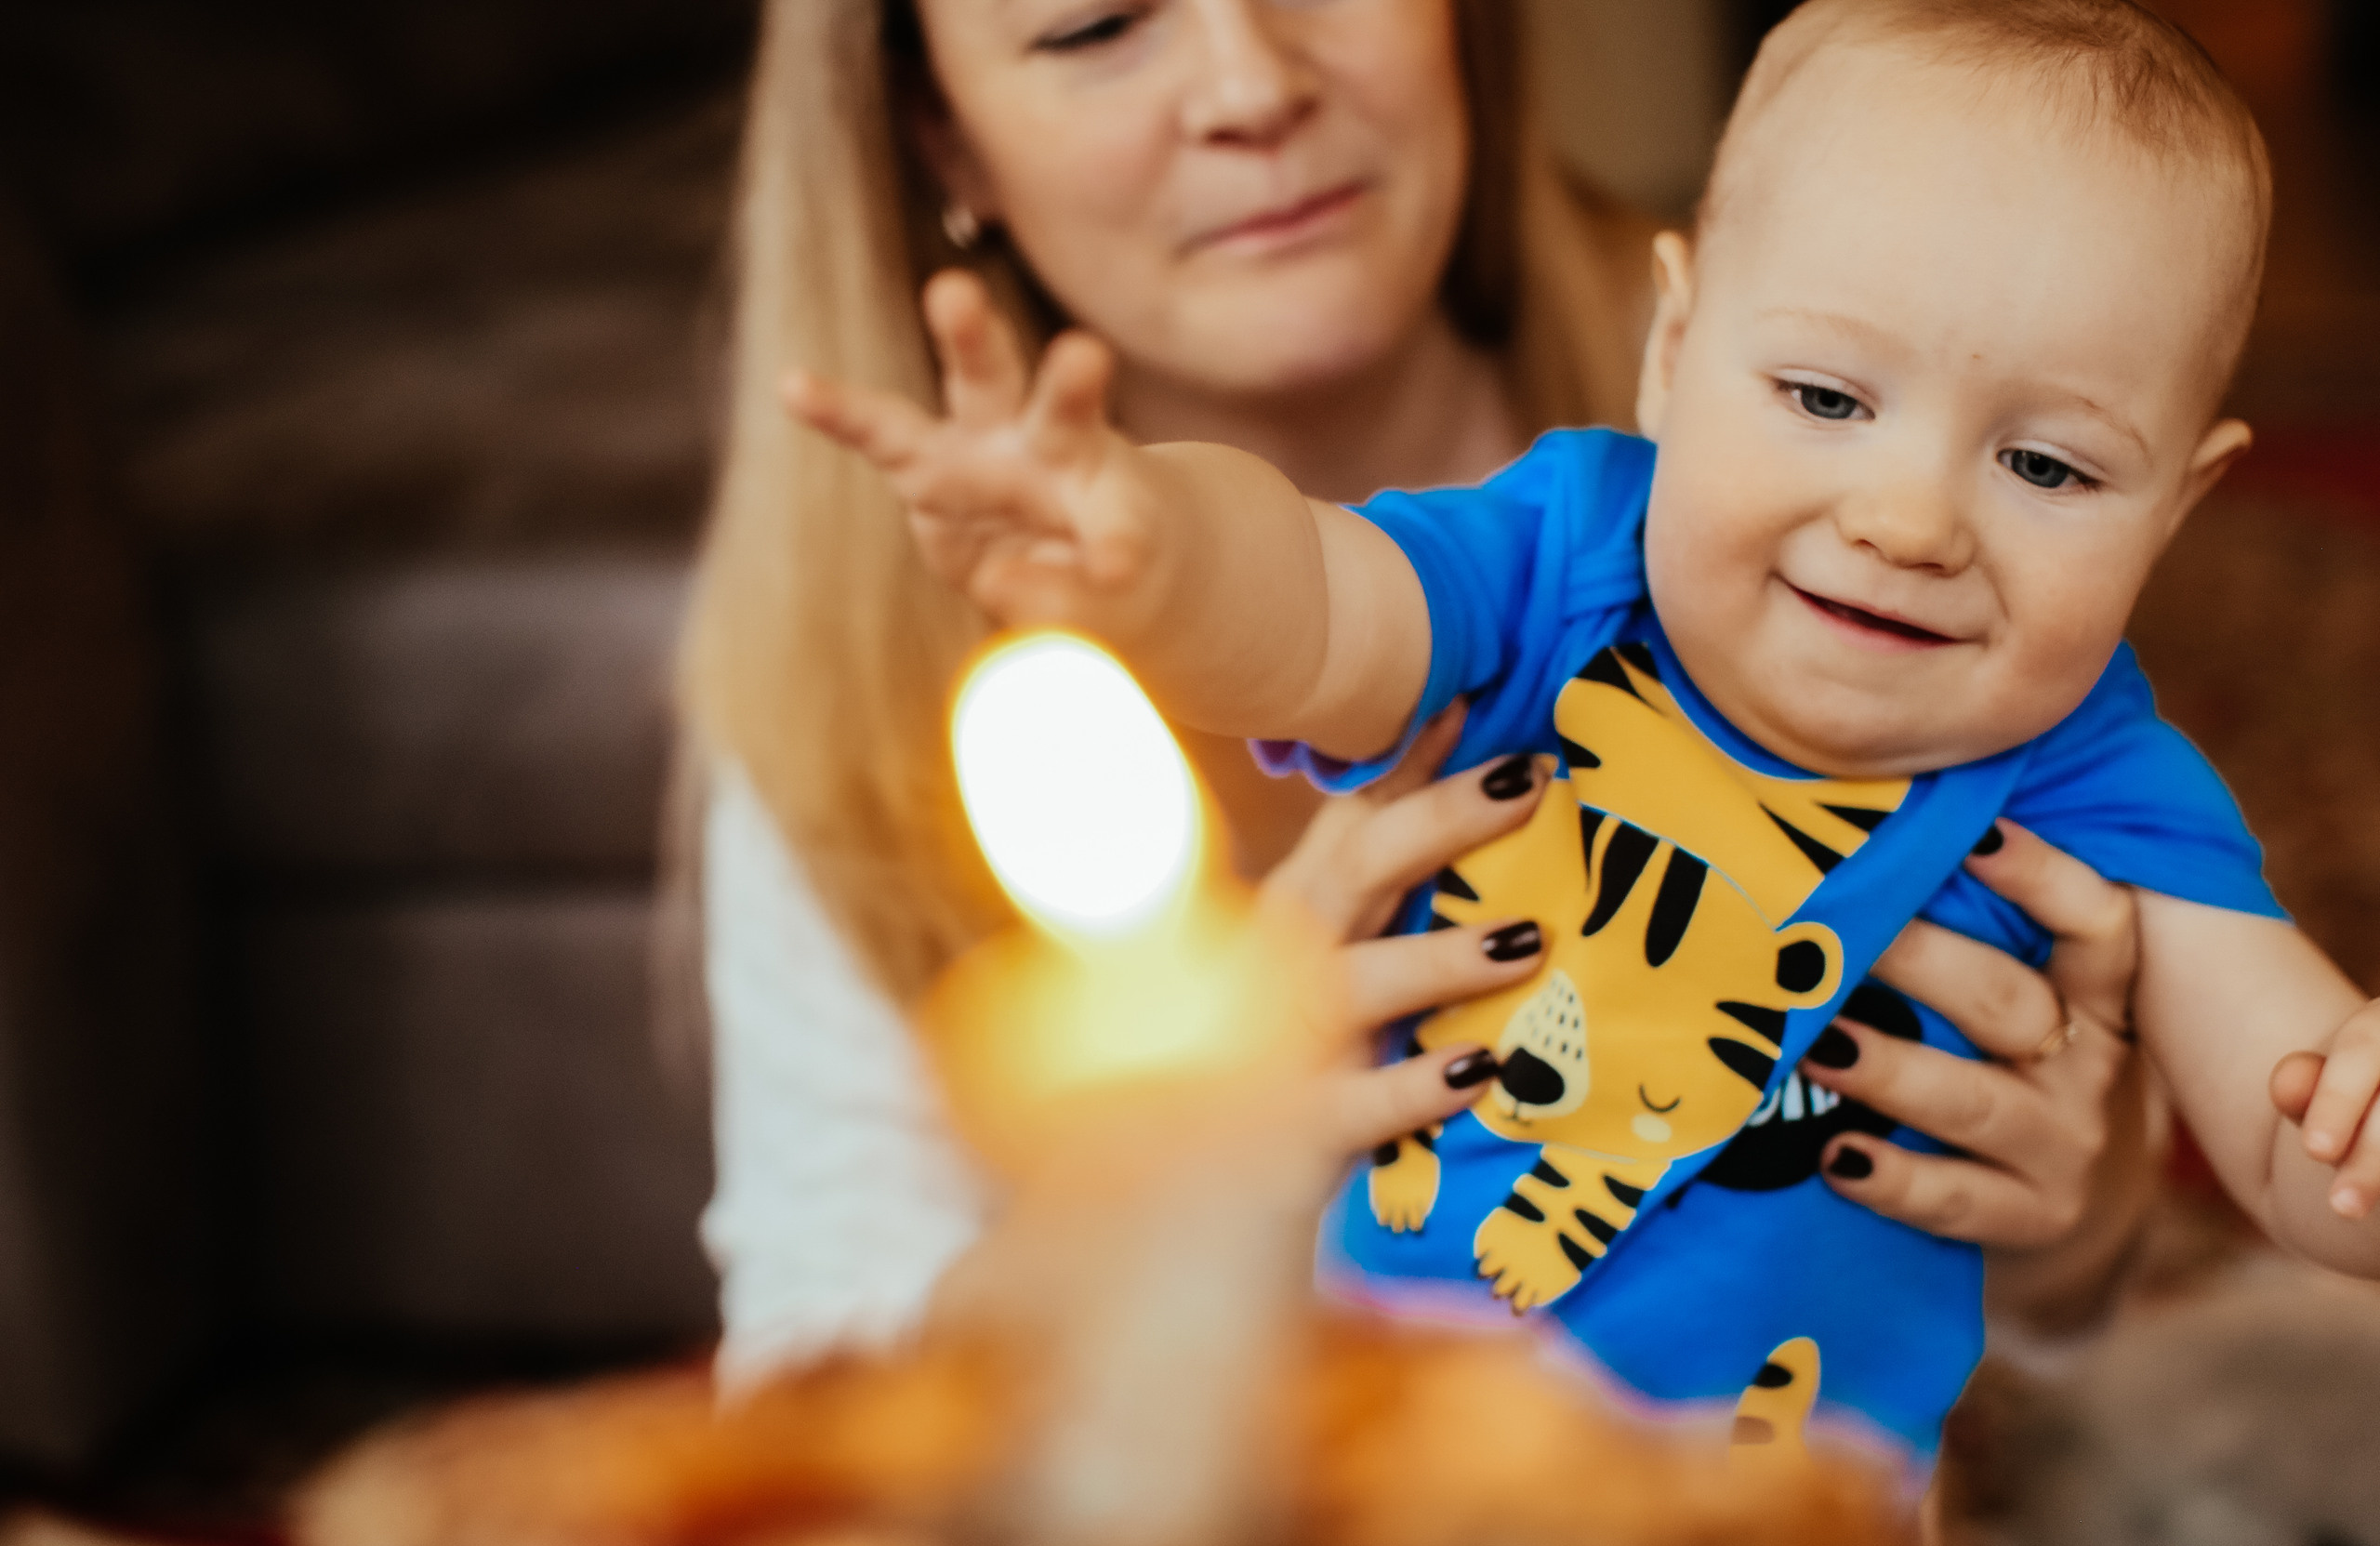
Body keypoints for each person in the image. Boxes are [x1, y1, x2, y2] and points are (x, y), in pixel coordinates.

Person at [787, 0, 2380, 1462]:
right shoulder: (1563, 558)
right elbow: (1313, 610)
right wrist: (1146, 550)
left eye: (2049, 470)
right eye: (1827, 399)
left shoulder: (2101, 777)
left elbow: (2299, 1137)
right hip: (1389, 1470)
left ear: (2181, 506)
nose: (1907, 521)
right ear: (1674, 353)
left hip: (1786, 1532)